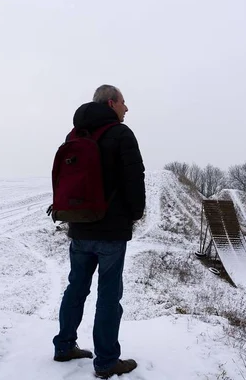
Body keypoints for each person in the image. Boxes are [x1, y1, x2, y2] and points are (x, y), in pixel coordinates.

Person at [52, 85, 146, 379]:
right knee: (108, 296)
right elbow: (134, 178)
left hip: (79, 225)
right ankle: (106, 361)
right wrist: (135, 214)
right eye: (123, 102)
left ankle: (64, 346)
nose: (126, 108)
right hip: (111, 230)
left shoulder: (75, 135)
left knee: (76, 287)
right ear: (111, 102)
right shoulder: (121, 134)